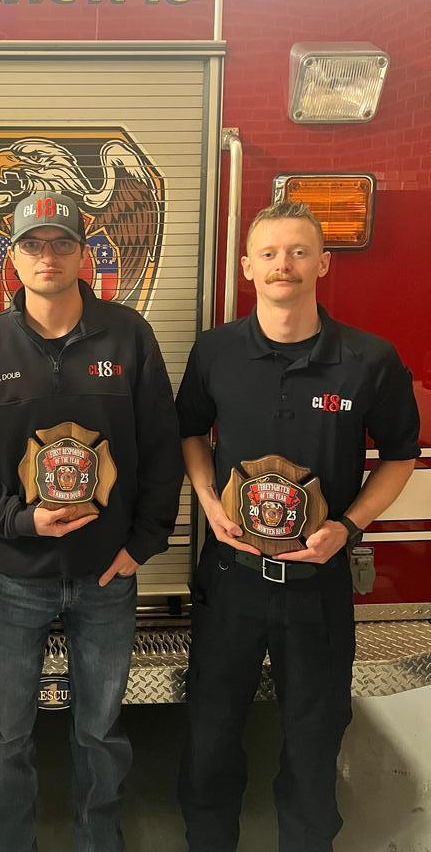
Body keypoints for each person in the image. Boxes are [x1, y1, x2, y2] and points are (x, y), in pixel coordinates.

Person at [0, 190, 183, 852]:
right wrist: (17, 523)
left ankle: (99, 842)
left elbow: (164, 445)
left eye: (62, 243)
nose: (48, 257)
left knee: (101, 731)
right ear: (12, 256)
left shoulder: (130, 336)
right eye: (32, 244)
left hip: (109, 575)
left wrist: (144, 543)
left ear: (85, 252)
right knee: (5, 732)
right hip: (14, 576)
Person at [175, 200, 420, 852]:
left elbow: (401, 455)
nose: (284, 264)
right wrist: (207, 499)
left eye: (299, 251)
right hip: (231, 582)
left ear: (323, 263)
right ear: (248, 266)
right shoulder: (216, 352)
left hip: (318, 587)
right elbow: (191, 433)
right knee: (211, 735)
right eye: (271, 252)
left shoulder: (368, 359)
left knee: (314, 740)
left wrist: (348, 525)